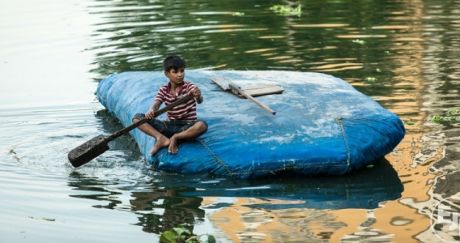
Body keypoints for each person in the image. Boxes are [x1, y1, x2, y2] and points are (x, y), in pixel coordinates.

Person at [132, 55, 207, 155]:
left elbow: (199, 100)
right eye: (175, 72)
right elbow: (156, 104)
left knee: (202, 125)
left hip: (187, 126)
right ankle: (160, 138)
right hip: (170, 125)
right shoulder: (163, 89)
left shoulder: (189, 87)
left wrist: (198, 96)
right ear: (167, 74)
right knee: (137, 118)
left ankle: (176, 137)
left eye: (182, 71)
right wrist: (151, 110)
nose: (180, 75)